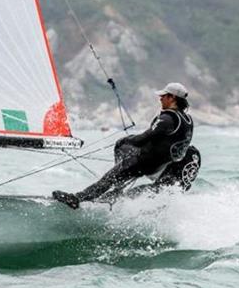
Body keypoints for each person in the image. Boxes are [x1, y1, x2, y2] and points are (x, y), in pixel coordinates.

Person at [52, 82, 196, 209]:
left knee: (113, 166)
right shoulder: (188, 119)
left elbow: (142, 139)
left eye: (163, 96)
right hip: (163, 164)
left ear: (172, 98)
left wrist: (129, 139)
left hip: (146, 162)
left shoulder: (167, 118)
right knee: (122, 159)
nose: (160, 98)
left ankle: (77, 198)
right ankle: (118, 191)